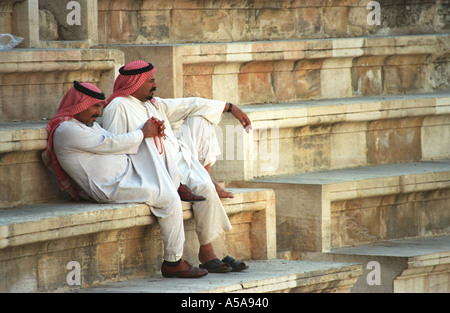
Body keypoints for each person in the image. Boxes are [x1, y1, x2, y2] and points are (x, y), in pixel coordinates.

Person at [42, 81, 208, 278]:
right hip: (110, 188)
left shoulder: (88, 126)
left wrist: (150, 130)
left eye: (99, 106)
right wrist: (143, 132)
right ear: (79, 104)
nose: (98, 112)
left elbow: (114, 141)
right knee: (168, 198)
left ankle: (176, 183)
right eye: (94, 106)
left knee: (154, 142)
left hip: (126, 175)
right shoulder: (66, 130)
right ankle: (173, 262)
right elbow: (110, 143)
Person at [102, 60, 251, 273]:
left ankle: (207, 252)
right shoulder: (118, 107)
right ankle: (199, 256)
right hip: (155, 169)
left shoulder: (152, 104)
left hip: (180, 161)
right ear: (135, 83)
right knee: (201, 190)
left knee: (206, 185)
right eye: (150, 80)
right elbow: (117, 146)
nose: (155, 84)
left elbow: (190, 104)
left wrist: (229, 107)